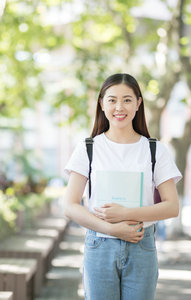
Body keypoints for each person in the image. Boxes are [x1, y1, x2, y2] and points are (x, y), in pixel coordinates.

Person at [63, 73, 182, 300]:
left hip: (141, 244)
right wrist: (110, 228)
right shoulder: (87, 148)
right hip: (99, 245)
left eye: (127, 100)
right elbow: (69, 205)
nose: (119, 107)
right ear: (101, 103)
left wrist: (126, 214)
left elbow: (172, 206)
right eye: (112, 100)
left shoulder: (154, 149)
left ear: (138, 103)